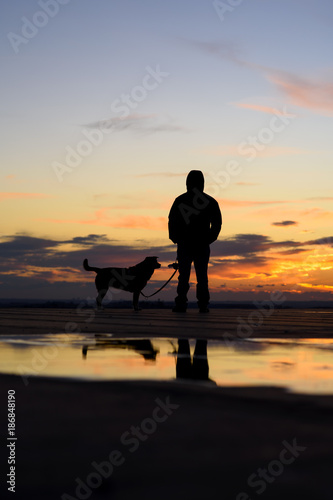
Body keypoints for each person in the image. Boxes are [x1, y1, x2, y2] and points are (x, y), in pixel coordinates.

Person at [168, 170, 222, 312]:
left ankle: (182, 304)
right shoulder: (210, 201)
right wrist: (208, 239)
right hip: (198, 245)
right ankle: (201, 305)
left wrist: (176, 238)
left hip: (189, 245)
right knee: (200, 276)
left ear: (188, 183)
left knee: (186, 276)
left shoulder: (181, 200)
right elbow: (217, 224)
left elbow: (172, 221)